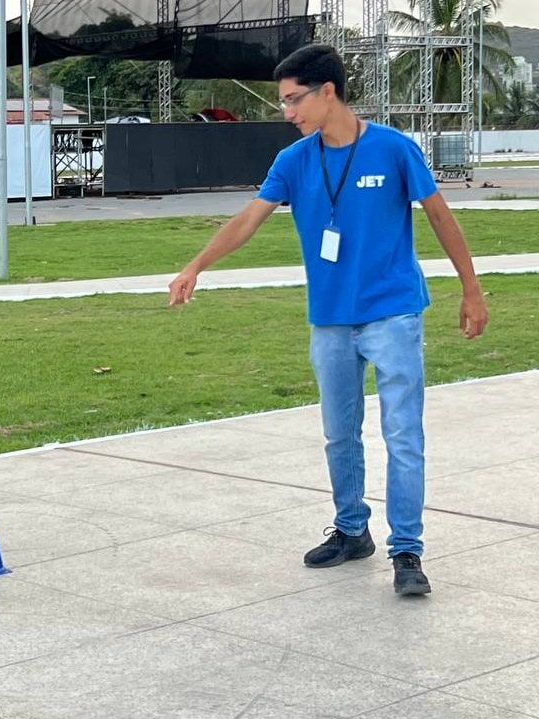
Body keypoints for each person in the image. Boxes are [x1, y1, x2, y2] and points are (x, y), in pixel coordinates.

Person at [168, 44, 488, 595]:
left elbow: (439, 215)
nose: (287, 112)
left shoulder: (392, 149)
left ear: (328, 92)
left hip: (393, 314)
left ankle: (407, 551)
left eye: (294, 100)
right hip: (331, 320)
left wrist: (471, 290)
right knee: (340, 435)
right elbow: (249, 219)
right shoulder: (293, 161)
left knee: (403, 437)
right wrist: (197, 265)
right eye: (285, 102)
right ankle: (350, 529)